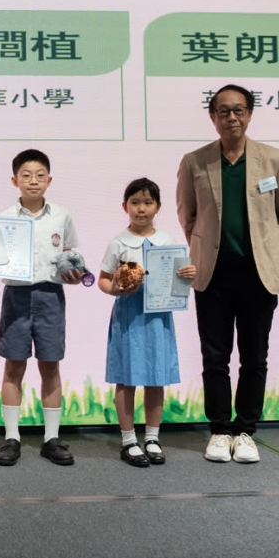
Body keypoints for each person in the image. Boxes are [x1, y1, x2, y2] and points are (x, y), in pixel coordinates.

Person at [177, 84, 279, 464]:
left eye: (239, 110)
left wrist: (265, 248)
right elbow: (188, 215)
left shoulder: (275, 160)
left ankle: (246, 430)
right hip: (212, 276)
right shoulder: (195, 161)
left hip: (258, 276)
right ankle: (219, 430)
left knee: (254, 357)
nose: (232, 117)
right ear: (212, 116)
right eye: (224, 111)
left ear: (249, 114)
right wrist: (206, 248)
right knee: (215, 357)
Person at [96, 178, 197, 467]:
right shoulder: (118, 243)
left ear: (158, 207)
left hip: (158, 318)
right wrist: (116, 289)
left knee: (156, 377)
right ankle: (128, 440)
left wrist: (188, 274)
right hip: (129, 317)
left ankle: (152, 438)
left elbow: (178, 281)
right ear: (125, 207)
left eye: (148, 203)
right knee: (126, 378)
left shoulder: (167, 242)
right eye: (135, 203)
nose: (141, 209)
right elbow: (103, 279)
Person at [0, 149, 84, 467]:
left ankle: (51, 439)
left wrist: (75, 273)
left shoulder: (62, 216)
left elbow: (71, 255)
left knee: (50, 366)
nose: (33, 181)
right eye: (26, 175)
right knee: (13, 366)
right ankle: (12, 438)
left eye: (40, 175)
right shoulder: (3, 219)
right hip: (16, 296)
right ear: (14, 180)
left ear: (49, 179)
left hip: (50, 296)